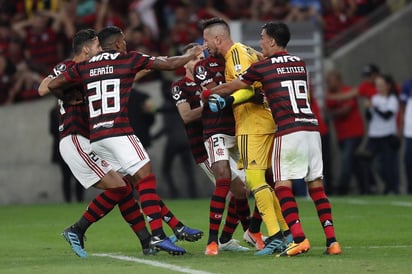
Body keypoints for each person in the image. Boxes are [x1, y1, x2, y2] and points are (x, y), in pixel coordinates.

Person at [47, 26, 205, 256]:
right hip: (101, 134)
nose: (126, 43)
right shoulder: (125, 58)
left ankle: (164, 233)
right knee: (145, 178)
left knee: (130, 185)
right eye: (124, 40)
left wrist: (68, 95)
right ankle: (157, 236)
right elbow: (170, 65)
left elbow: (52, 85)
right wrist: (193, 53)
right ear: (118, 43)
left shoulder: (85, 67)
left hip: (97, 137)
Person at [206, 21, 341, 256]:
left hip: (278, 128)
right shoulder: (299, 63)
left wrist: (214, 94)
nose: (259, 42)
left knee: (275, 184)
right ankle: (332, 242)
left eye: (262, 38)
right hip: (311, 127)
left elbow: (243, 87)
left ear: (270, 41)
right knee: (315, 186)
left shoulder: (260, 65)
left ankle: (290, 236)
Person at [38, 29, 155, 258]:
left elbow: (117, 77)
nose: (101, 50)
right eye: (97, 46)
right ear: (86, 49)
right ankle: (77, 229)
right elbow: (43, 87)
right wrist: (66, 96)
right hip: (75, 138)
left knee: (124, 187)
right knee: (122, 187)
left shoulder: (89, 70)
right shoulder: (68, 68)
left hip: (89, 140)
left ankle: (147, 242)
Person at [201, 18, 290, 256]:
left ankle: (273, 235)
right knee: (266, 181)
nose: (204, 45)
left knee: (256, 181)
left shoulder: (236, 54)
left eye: (206, 40)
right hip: (264, 122)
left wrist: (215, 94)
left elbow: (249, 88)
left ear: (218, 39)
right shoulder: (247, 51)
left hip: (254, 124)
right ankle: (285, 232)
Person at [172, 43, 252, 254]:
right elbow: (186, 116)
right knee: (238, 189)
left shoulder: (214, 80)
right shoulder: (179, 86)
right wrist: (210, 101)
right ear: (185, 63)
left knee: (242, 189)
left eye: (200, 57)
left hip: (227, 139)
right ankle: (245, 233)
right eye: (193, 58)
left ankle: (227, 238)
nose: (197, 62)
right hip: (203, 147)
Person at [325, 70, 367, 195]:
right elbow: (328, 110)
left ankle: (343, 189)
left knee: (346, 160)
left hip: (354, 132)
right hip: (341, 134)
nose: (328, 84)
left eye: (330, 81)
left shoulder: (347, 90)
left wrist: (333, 112)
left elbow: (345, 110)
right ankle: (366, 187)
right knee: (354, 162)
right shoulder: (331, 94)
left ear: (338, 80)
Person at [364, 74, 400, 194]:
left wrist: (374, 107)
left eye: (381, 85)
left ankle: (391, 187)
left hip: (387, 134)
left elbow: (387, 116)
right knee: (368, 161)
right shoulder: (374, 98)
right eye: (377, 85)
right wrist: (368, 108)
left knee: (387, 164)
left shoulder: (392, 99)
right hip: (374, 135)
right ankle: (371, 186)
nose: (379, 88)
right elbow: (369, 117)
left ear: (388, 86)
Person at [49, 104, 84, 203]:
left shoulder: (74, 110)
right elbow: (52, 130)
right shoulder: (54, 112)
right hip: (64, 147)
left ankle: (78, 199)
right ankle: (69, 200)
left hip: (73, 146)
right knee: (67, 176)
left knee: (77, 176)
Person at [399, 76, 412, 194]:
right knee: (408, 160)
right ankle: (410, 188)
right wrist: (401, 125)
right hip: (409, 131)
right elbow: (402, 107)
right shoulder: (408, 85)